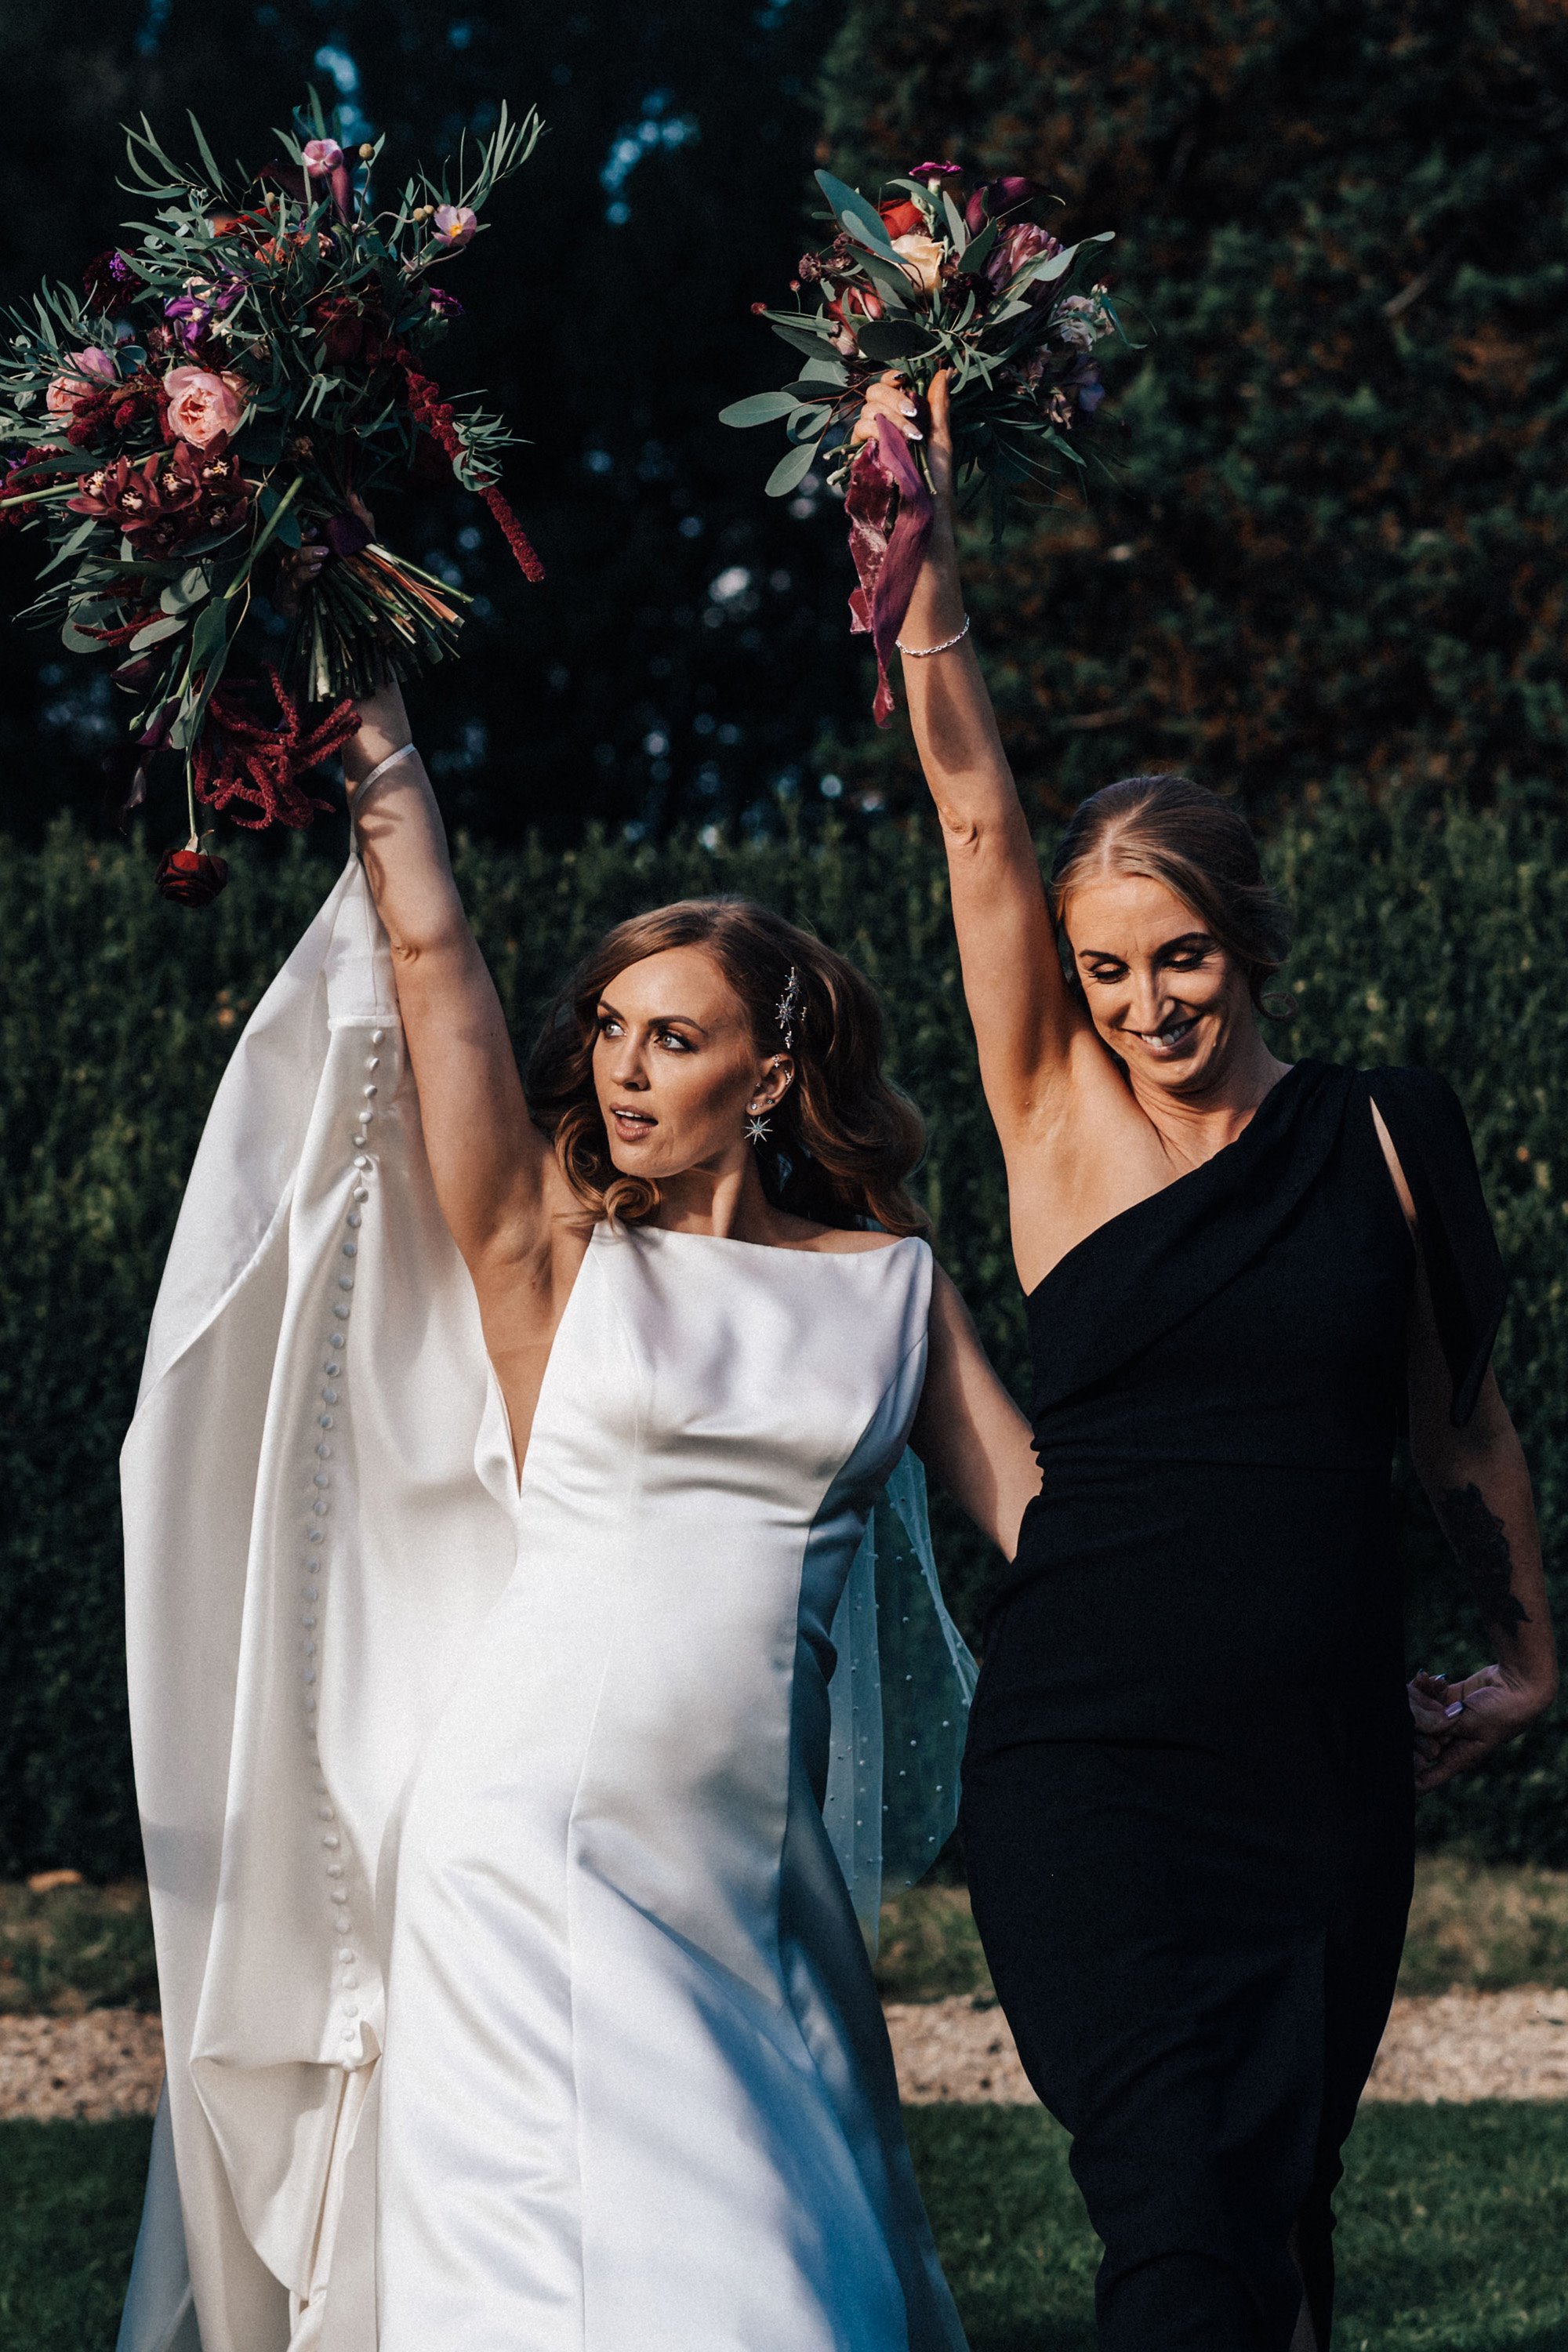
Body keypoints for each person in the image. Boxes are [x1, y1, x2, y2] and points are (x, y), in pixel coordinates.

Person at [116, 657, 1042, 2352]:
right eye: (609, 1028)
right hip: (522, 1839)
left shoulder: (892, 1287)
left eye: (674, 1038)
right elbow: (432, 958)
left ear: (768, 1078)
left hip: (753, 1877)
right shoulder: (552, 1260)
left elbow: (1051, 1528)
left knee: (800, 2291)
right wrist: (371, 722)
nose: (622, 1070)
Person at [853, 367, 1559, 2352]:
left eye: (1179, 957)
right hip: (1089, 1758)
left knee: (1278, 2219)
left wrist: (1525, 1649)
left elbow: (1462, 1428)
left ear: (1245, 945)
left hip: (1326, 1764)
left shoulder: (1389, 1136)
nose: (1144, 1001)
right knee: (1171, 2219)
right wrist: (921, 548)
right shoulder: (1055, 1126)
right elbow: (977, 807)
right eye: (1104, 969)